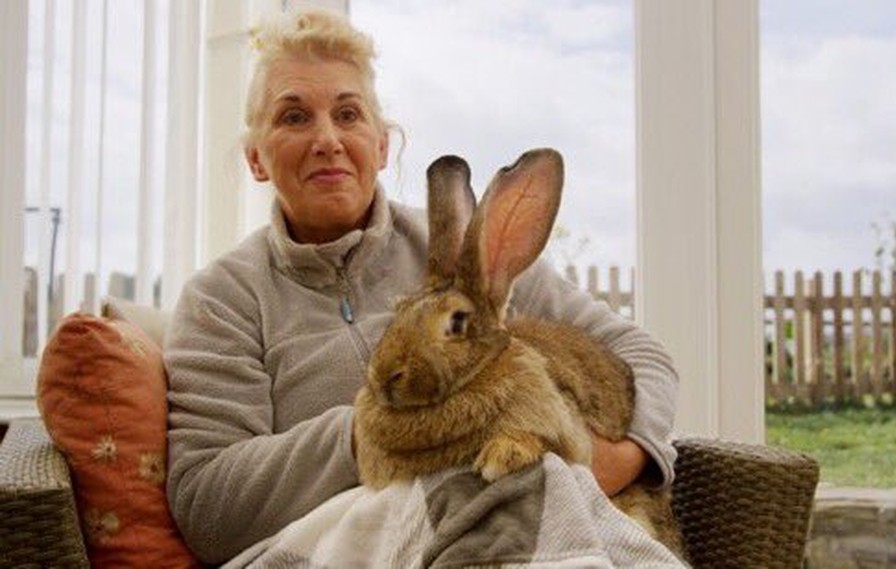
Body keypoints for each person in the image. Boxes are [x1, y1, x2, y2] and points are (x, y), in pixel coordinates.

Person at [164, 9, 678, 565]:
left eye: (348, 114)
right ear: (256, 158)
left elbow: (640, 354)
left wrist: (622, 457)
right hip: (336, 544)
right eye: (293, 118)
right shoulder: (221, 300)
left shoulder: (464, 270)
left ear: (382, 146)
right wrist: (377, 432)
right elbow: (208, 504)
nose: (328, 140)